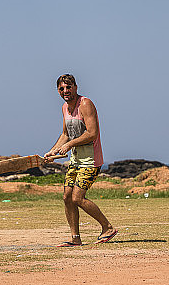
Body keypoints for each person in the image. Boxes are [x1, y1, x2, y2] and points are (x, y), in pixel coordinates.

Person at [45, 73, 117, 246]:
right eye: (61, 88)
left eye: (68, 87)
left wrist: (69, 145)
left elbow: (92, 133)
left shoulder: (85, 104)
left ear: (75, 87)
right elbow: (65, 134)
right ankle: (75, 238)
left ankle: (107, 228)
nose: (65, 91)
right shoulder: (65, 107)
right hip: (76, 161)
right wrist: (52, 151)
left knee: (77, 198)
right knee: (67, 197)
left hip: (91, 161)